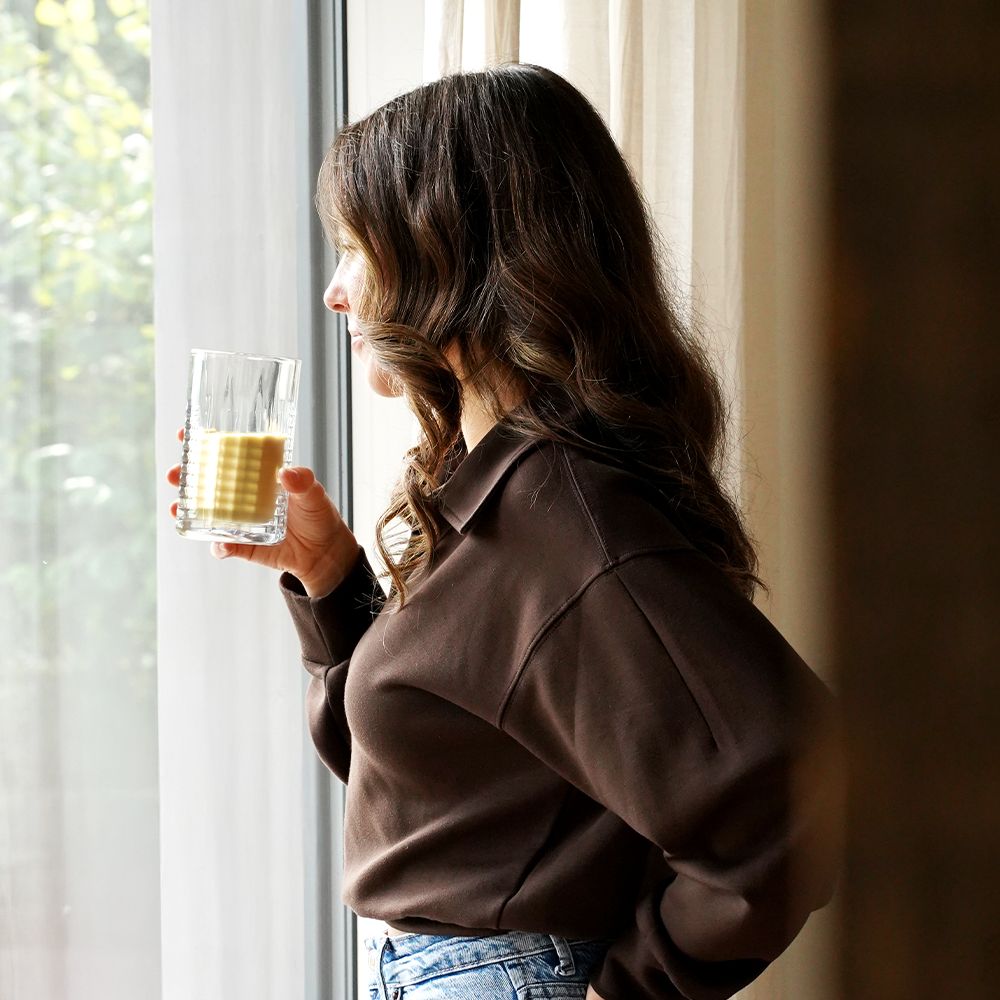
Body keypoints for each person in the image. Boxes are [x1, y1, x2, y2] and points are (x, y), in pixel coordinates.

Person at [167, 64, 843, 1000]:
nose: (335, 292)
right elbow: (429, 800)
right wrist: (332, 582)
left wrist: (630, 990)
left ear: (450, 253)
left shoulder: (566, 520)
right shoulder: (503, 494)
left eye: (355, 249)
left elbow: (792, 805)